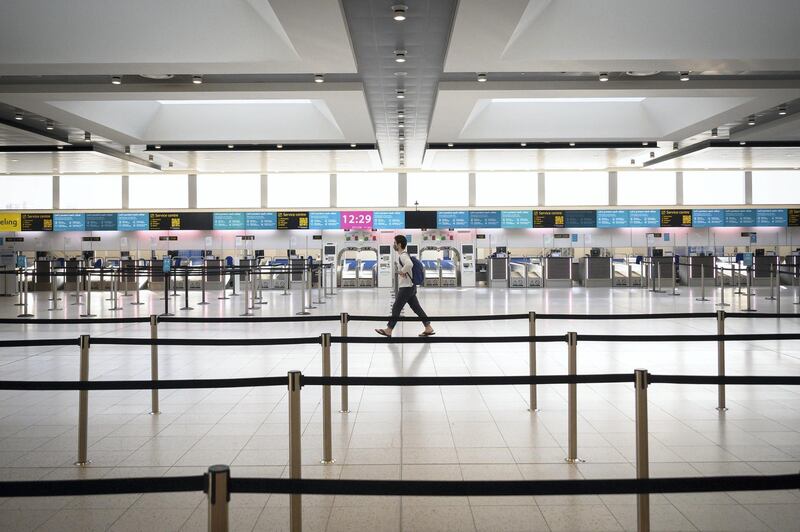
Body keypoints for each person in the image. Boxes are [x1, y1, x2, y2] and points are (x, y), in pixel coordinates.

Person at [375, 235, 435, 337]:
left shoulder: (403, 255)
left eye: (394, 243)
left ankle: (389, 330)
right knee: (416, 308)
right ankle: (428, 327)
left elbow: (409, 264)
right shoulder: (404, 254)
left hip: (406, 287)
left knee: (396, 308)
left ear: (399, 244)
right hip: (410, 287)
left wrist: (402, 271)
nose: (393, 245)